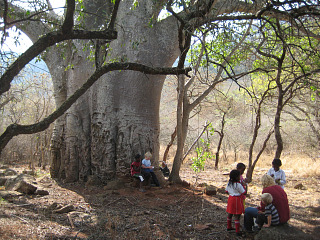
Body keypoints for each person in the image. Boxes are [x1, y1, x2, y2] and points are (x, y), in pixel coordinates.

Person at [226, 170, 246, 237]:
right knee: (237, 214)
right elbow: (244, 192)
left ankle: (229, 226)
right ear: (237, 177)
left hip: (230, 199)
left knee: (230, 212)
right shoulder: (238, 185)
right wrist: (245, 186)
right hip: (237, 200)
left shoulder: (229, 183)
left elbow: (226, 191)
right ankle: (237, 231)